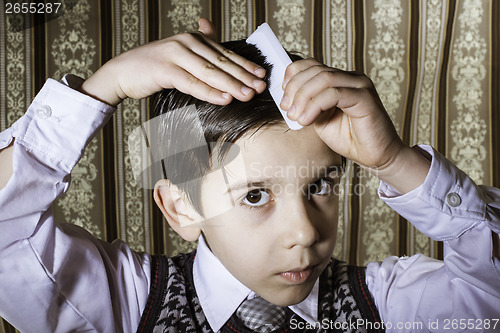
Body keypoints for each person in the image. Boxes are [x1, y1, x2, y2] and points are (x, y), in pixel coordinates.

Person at [0, 18, 498, 333]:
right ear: (180, 207)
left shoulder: (387, 306)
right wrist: (103, 87)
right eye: (256, 194)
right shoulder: (123, 308)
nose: (305, 232)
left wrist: (393, 161)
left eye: (319, 186)